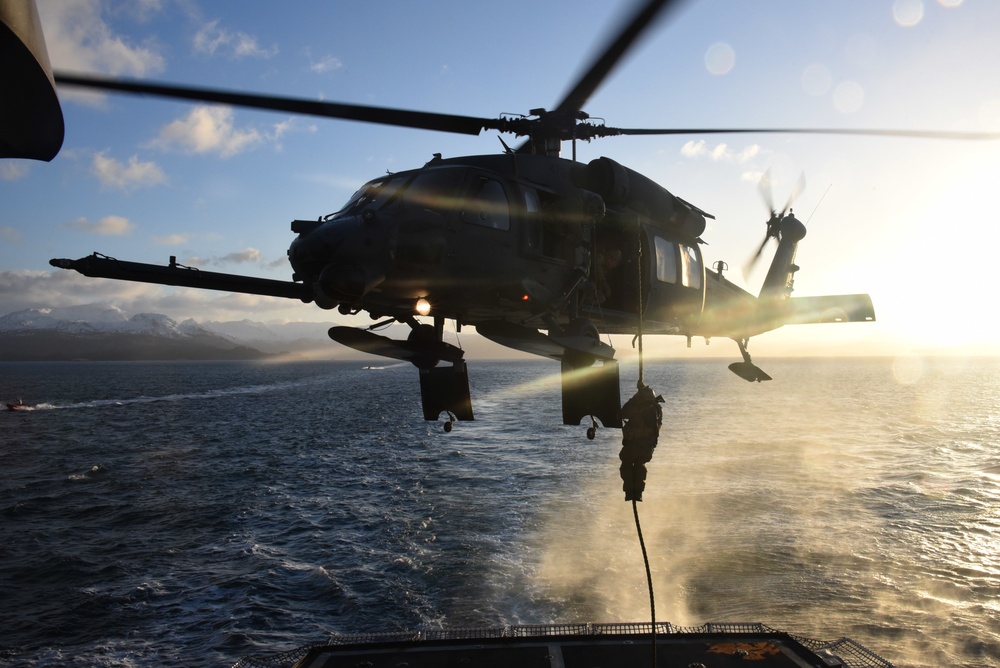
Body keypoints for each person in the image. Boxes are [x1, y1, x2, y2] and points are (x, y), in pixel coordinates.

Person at [618, 384, 664, 501]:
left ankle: (629, 492)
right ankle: (638, 493)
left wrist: (634, 398)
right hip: (648, 448)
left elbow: (622, 413)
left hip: (633, 446)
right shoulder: (657, 410)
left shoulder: (637, 410)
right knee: (640, 466)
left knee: (626, 465)